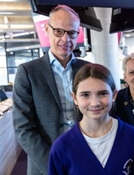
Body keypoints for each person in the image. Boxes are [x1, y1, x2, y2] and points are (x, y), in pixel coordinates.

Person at [12, 5, 89, 175]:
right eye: (59, 31)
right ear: (47, 29)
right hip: (45, 165)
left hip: (85, 160)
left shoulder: (88, 70)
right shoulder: (28, 72)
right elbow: (23, 128)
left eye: (71, 33)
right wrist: (53, 164)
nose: (65, 39)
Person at [48, 63, 134, 175]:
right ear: (74, 98)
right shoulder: (62, 147)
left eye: (102, 94)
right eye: (85, 95)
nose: (95, 103)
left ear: (114, 95)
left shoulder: (131, 136)